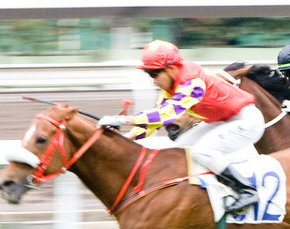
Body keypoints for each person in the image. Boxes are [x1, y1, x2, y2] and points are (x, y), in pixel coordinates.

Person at [96, 40, 265, 212]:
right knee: (181, 147)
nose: (153, 81)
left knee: (202, 151)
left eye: (154, 74)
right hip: (224, 121)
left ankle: (247, 190)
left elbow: (166, 115)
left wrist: (123, 120)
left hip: (246, 121)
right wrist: (128, 137)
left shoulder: (194, 83)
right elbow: (156, 119)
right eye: (149, 74)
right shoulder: (171, 87)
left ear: (171, 69)